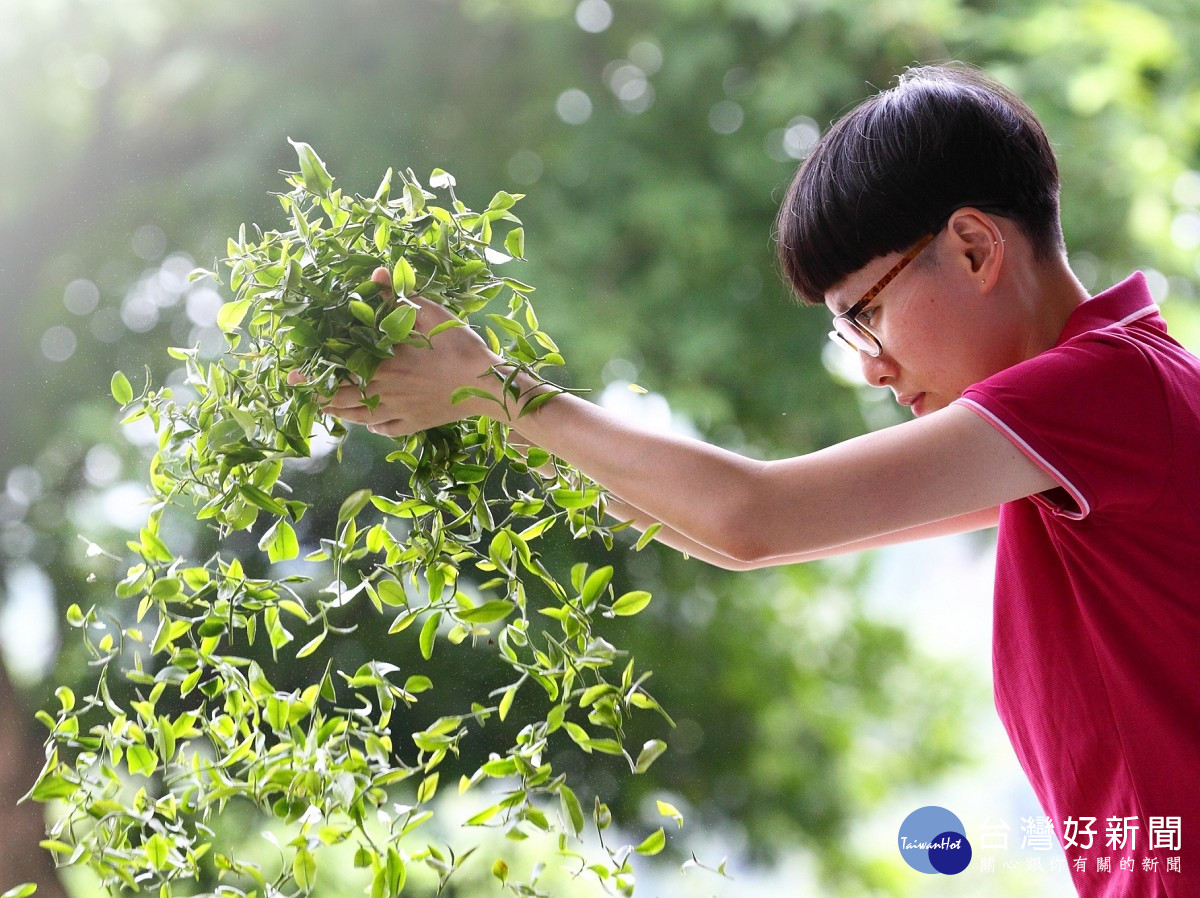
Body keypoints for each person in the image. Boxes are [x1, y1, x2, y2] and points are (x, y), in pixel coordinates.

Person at [320, 63, 1198, 897]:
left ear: (972, 249)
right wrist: (492, 414)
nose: (873, 368)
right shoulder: (1091, 425)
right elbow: (733, 541)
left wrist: (498, 390)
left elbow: (755, 515)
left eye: (868, 315)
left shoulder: (1107, 389)